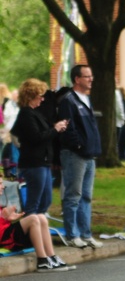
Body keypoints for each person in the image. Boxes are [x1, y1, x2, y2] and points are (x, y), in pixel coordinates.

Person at [57, 64, 103, 249]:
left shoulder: (86, 99)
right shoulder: (68, 101)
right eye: (87, 76)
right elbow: (67, 128)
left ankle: (86, 233)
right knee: (73, 195)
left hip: (89, 155)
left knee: (86, 196)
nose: (91, 79)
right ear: (77, 79)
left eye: (91, 76)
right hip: (75, 155)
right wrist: (79, 145)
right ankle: (72, 234)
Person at [10, 79, 67, 216]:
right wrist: (56, 129)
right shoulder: (26, 114)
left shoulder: (35, 113)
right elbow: (36, 137)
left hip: (43, 161)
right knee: (34, 202)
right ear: (31, 96)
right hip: (34, 163)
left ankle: (38, 228)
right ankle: (29, 230)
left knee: (46, 200)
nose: (42, 99)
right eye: (39, 96)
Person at [0, 202, 70, 271]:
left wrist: (8, 218)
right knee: (33, 219)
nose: (3, 189)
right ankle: (42, 261)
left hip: (8, 234)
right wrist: (3, 218)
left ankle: (52, 257)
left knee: (41, 217)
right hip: (5, 240)